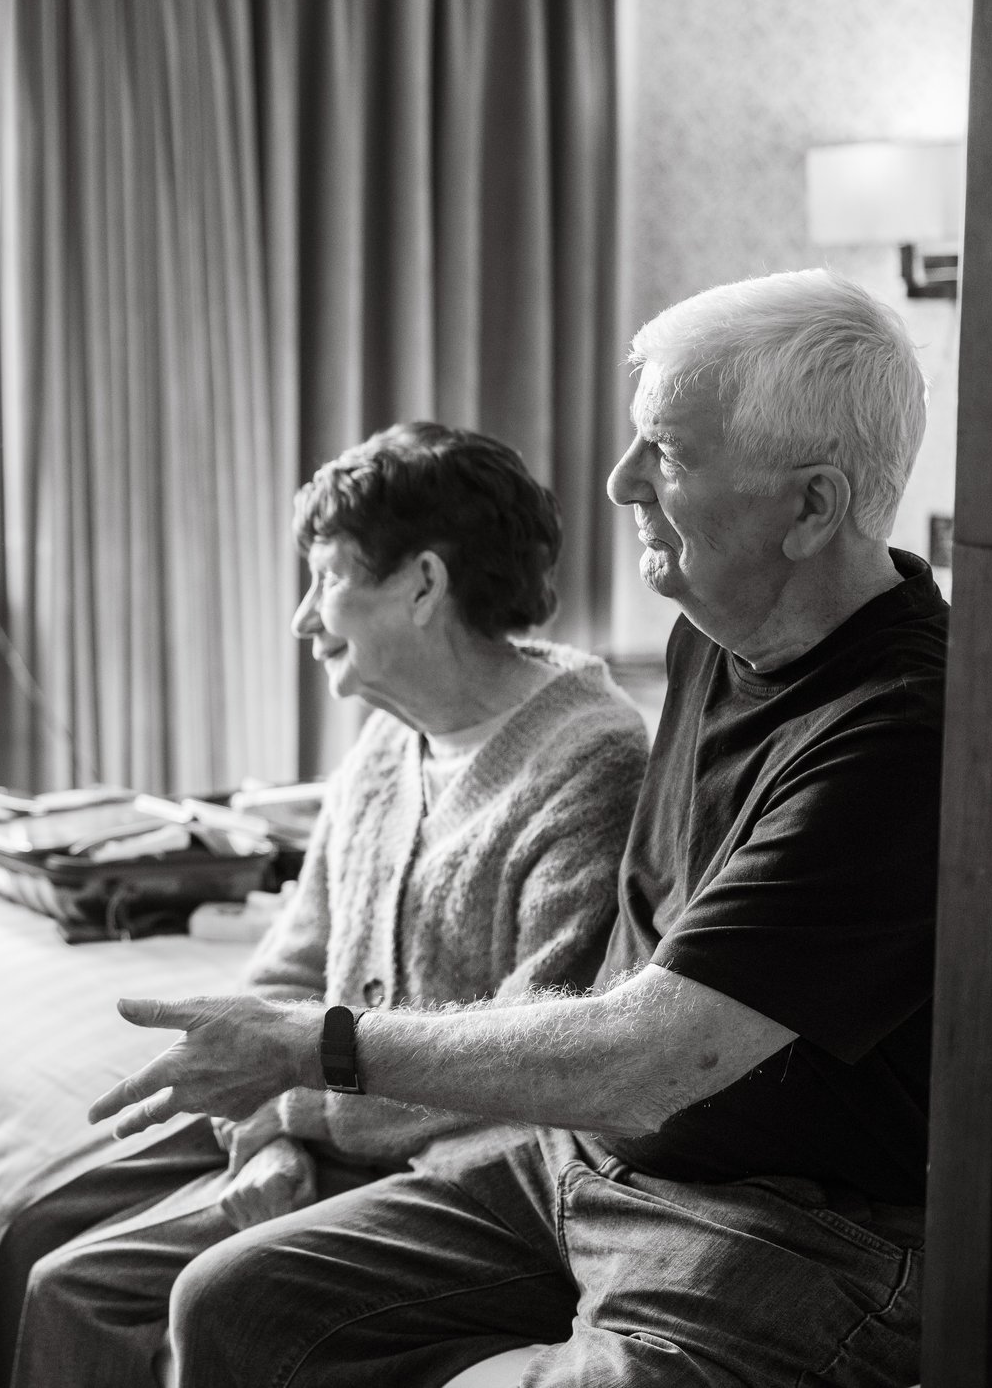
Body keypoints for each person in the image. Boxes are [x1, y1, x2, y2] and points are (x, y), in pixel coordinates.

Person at [91, 270, 940, 1388]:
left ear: (812, 507)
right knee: (237, 1304)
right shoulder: (716, 635)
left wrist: (313, 1047)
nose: (617, 479)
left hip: (777, 1223)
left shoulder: (901, 734)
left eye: (667, 456)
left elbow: (648, 1058)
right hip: (584, 1167)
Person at [0, 424, 648, 1388]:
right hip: (320, 1116)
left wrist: (301, 1113)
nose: (303, 617)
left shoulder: (591, 768)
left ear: (424, 585)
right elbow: (288, 967)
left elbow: (528, 1056)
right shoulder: (389, 744)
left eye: (325, 579)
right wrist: (268, 1133)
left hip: (447, 1165)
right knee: (31, 1226)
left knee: (82, 1288)